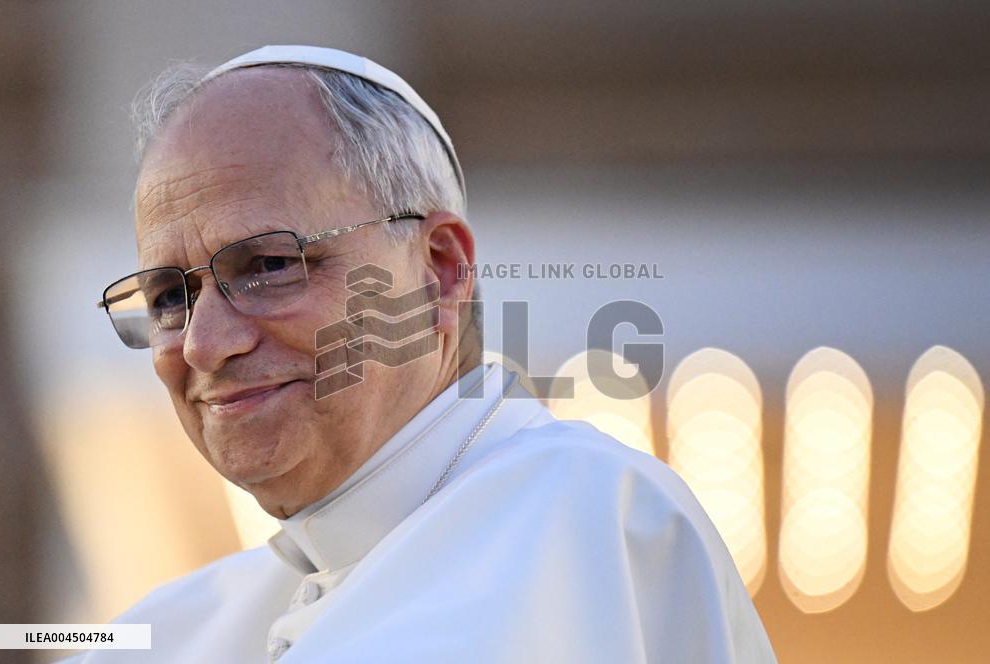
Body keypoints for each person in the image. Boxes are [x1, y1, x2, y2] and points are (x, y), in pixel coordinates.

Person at [85, 45, 776, 662]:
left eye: (267, 265)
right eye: (168, 299)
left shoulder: (598, 515)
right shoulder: (163, 632)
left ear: (440, 270)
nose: (205, 344)